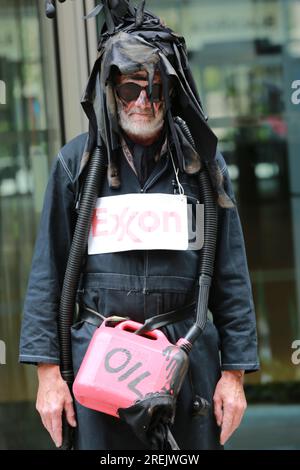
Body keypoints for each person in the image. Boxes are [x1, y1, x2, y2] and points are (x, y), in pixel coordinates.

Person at [19, 1, 259, 450]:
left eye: (154, 88)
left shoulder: (202, 167)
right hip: (99, 361)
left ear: (172, 92)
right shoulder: (77, 164)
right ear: (111, 91)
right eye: (130, 89)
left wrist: (234, 374)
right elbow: (48, 272)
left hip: (183, 359)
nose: (143, 101)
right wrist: (48, 374)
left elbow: (230, 273)